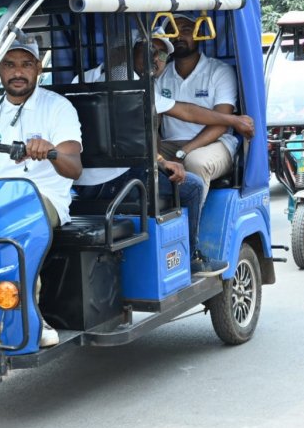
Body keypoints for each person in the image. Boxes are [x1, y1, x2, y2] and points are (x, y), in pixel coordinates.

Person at [75, 34, 254, 276]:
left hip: (81, 180)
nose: (156, 60)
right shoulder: (134, 85)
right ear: (132, 49)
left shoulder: (86, 77)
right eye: (150, 51)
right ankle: (191, 257)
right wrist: (161, 161)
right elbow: (184, 113)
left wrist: (161, 159)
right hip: (113, 179)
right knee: (191, 186)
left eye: (161, 55)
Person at [0, 36, 83, 347]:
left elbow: (74, 166)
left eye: (26, 64)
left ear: (38, 69)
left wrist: (52, 151)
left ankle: (31, 317)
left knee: (13, 227)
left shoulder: (57, 107)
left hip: (43, 198)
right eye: (10, 65)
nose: (18, 72)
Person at [156, 14, 248, 202]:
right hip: (170, 144)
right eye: (172, 31)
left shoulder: (219, 71)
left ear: (199, 33)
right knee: (140, 161)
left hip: (216, 143)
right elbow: (152, 122)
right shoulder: (161, 75)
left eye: (187, 30)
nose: (179, 36)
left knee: (196, 163)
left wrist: (184, 151)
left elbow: (221, 123)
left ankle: (193, 229)